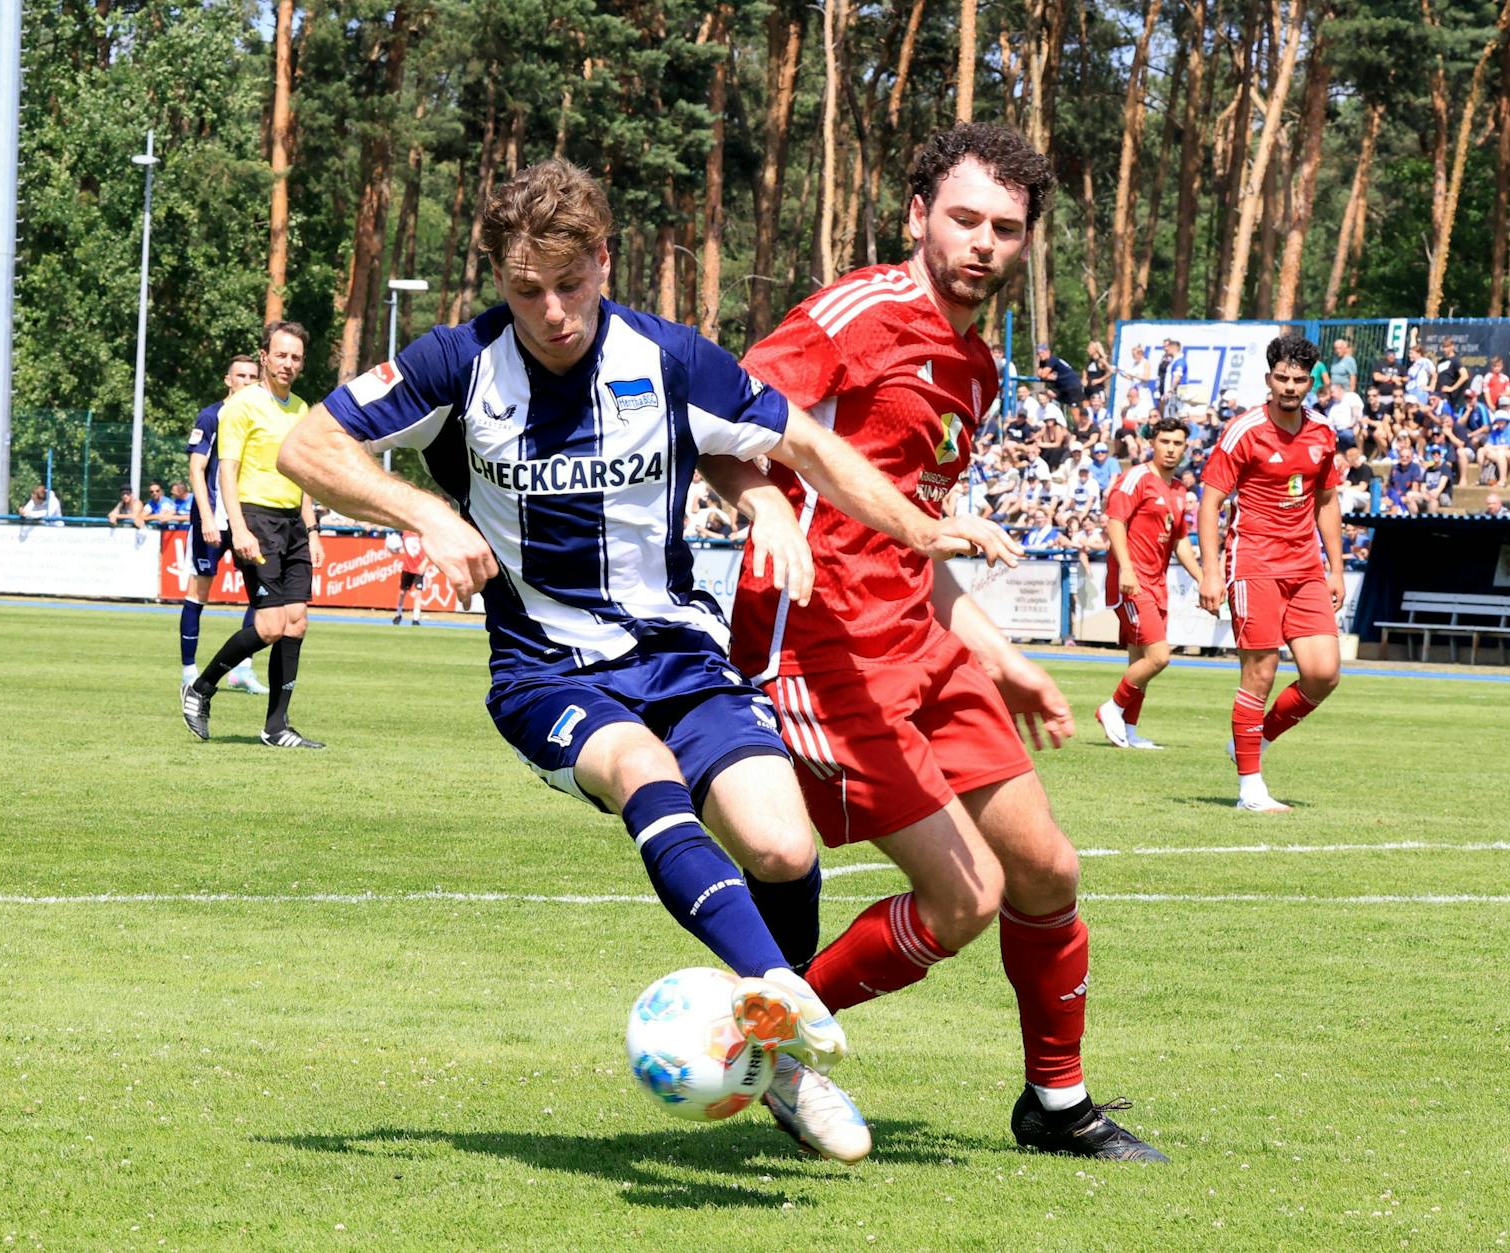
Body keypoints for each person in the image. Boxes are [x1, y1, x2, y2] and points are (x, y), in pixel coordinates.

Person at [277, 157, 1018, 1164]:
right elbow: (307, 446)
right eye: (525, 290)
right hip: (544, 669)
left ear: (604, 260)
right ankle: (787, 1008)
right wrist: (423, 512)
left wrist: (914, 528)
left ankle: (774, 1052)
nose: (550, 313)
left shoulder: (667, 356)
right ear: (497, 278)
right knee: (641, 767)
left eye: (568, 283)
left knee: (783, 848)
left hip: (676, 652)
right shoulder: (457, 361)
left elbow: (804, 443)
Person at [727, 122, 1168, 1162]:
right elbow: (719, 409)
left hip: (922, 642)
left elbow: (915, 539)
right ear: (917, 215)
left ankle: (1054, 1103)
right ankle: (755, 1038)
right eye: (963, 218)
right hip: (824, 650)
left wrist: (1002, 657)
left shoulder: (974, 366)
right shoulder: (856, 314)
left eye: (1004, 228)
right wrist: (765, 504)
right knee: (963, 897)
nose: (982, 242)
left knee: (1045, 870)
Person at [1198, 334, 1345, 813]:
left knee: (1323, 674)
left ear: (1311, 383)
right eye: (1281, 378)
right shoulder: (1244, 431)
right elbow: (1210, 503)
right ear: (1269, 379)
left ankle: (1252, 741)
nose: (1289, 386)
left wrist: (1336, 568)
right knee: (1260, 673)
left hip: (1305, 566)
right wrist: (1210, 572)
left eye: (1298, 379)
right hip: (1253, 562)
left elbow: (1327, 501)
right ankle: (1250, 790)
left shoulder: (1323, 432)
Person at [181, 322, 325, 748]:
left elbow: (303, 475)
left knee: (296, 622)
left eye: (296, 357)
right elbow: (227, 470)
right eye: (281, 355)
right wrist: (239, 526)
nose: (288, 363)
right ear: (265, 356)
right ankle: (201, 688)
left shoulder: (301, 409)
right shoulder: (241, 406)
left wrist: (312, 530)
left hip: (294, 523)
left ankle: (276, 727)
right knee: (270, 624)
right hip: (257, 519)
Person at [1094, 416, 1204, 751]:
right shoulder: (1136, 478)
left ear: (1185, 448)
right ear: (1152, 444)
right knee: (1159, 656)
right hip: (1134, 582)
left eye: (1177, 443)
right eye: (1164, 442)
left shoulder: (1179, 490)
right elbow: (1115, 522)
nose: (1170, 449)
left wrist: (1202, 578)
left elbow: (1179, 540)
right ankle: (1111, 708)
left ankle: (1129, 729)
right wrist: (1126, 570)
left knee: (1140, 661)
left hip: (1157, 584)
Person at [179, 355, 267, 697]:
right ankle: (189, 672)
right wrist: (206, 517)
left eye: (252, 376)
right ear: (227, 380)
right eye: (240, 375)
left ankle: (242, 670)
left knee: (261, 593)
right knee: (198, 592)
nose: (246, 381)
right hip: (213, 519)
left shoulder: (259, 417)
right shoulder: (211, 415)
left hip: (246, 519)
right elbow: (196, 469)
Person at [388, 530, 432, 626]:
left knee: (418, 593)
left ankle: (415, 619)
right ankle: (398, 614)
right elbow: (395, 545)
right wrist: (393, 549)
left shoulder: (422, 533)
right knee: (402, 592)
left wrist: (424, 564)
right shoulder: (405, 532)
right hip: (407, 567)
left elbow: (430, 551)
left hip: (419, 568)